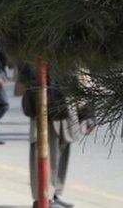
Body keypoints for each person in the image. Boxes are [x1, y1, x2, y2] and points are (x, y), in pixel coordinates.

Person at [20, 64, 92, 208]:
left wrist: (87, 115)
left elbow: (84, 78)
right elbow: (24, 70)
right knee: (44, 151)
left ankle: (54, 194)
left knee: (62, 149)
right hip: (43, 101)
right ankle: (42, 197)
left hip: (66, 101)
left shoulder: (72, 46)